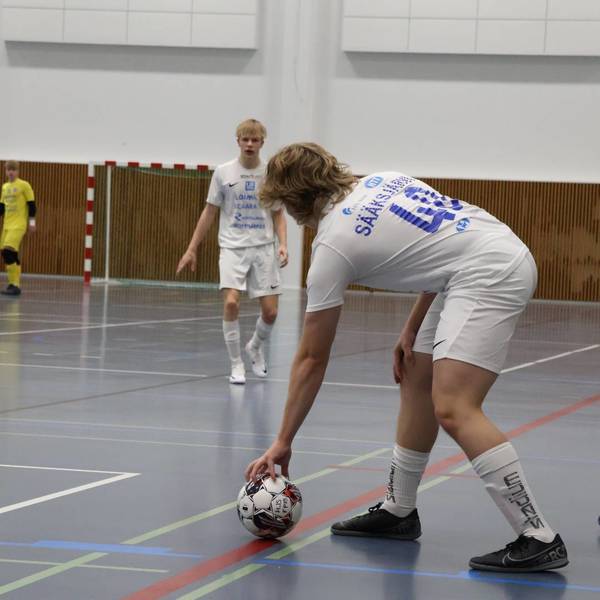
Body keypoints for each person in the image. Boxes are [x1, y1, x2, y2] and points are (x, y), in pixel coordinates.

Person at [245, 143, 568, 573]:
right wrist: (413, 326)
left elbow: (311, 358)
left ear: (296, 198)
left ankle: (538, 535)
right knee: (417, 373)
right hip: (481, 257)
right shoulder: (383, 179)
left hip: (490, 273)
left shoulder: (332, 246)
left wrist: (283, 440)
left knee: (454, 406)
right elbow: (438, 248)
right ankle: (399, 509)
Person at [177, 120, 288, 385]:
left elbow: (278, 214)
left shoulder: (270, 174)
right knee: (230, 302)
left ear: (262, 142)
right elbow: (209, 212)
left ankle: (254, 347)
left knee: (271, 312)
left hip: (263, 248)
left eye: (255, 140)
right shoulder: (224, 173)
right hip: (232, 247)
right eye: (245, 139)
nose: (250, 144)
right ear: (237, 141)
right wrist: (192, 248)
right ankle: (236, 363)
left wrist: (283, 243)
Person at [0, 160, 36, 296]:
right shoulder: (4, 187)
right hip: (7, 225)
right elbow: (1, 207)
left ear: (18, 171)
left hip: (18, 224)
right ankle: (12, 284)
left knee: (8, 251)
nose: (10, 172)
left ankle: (15, 285)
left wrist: (32, 222)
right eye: (8, 169)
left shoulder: (24, 185)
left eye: (13, 169)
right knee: (9, 253)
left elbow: (32, 204)